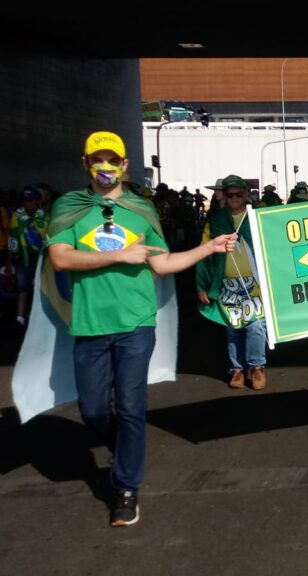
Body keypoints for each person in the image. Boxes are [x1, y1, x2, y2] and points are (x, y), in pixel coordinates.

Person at [48, 131, 236, 526]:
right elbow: (61, 258)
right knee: (94, 409)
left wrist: (209, 248)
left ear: (124, 164)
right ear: (85, 163)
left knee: (131, 407)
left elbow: (162, 264)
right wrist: (120, 254)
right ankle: (124, 451)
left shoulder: (141, 210)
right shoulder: (71, 207)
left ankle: (126, 489)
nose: (105, 167)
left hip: (136, 323)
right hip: (90, 324)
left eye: (111, 160)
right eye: (97, 159)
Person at [196, 174, 267, 390]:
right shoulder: (215, 222)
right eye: (230, 194)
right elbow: (203, 254)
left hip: (254, 283)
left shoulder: (257, 218)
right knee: (233, 327)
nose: (235, 197)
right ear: (224, 196)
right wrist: (202, 285)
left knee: (255, 325)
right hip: (227, 283)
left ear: (246, 194)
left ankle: (256, 366)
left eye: (238, 193)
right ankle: (237, 369)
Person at [5, 187, 50, 326]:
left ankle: (39, 318)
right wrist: (8, 263)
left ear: (37, 201)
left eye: (30, 201)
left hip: (42, 262)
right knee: (22, 289)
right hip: (22, 262)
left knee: (41, 291)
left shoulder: (46, 217)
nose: (26, 204)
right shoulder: (17, 217)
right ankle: (20, 318)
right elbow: (13, 240)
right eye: (24, 201)